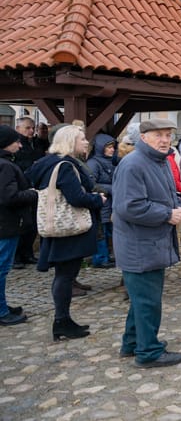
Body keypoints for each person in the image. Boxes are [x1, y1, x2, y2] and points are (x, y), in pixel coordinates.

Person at [112, 118, 181, 367]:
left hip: (151, 242)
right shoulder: (133, 164)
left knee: (142, 299)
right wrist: (167, 214)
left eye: (167, 135)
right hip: (139, 245)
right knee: (147, 302)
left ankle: (133, 343)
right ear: (144, 137)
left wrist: (176, 206)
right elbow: (129, 207)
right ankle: (149, 352)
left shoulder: (158, 160)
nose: (165, 140)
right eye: (159, 135)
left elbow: (164, 194)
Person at [28, 125, 106, 340]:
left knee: (64, 275)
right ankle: (61, 321)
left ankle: (63, 319)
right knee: (65, 275)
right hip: (69, 229)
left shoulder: (46, 162)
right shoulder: (65, 166)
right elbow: (77, 198)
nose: (86, 143)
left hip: (58, 228)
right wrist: (98, 199)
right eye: (82, 139)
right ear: (70, 141)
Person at [0, 125, 38, 326]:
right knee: (1, 268)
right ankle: (1, 311)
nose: (20, 144)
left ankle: (3, 305)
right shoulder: (5, 165)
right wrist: (33, 193)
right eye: (16, 141)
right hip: (6, 225)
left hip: (5, 224)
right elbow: (8, 197)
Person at [13, 116, 44, 268]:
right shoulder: (16, 145)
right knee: (23, 223)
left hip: (35, 188)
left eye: (32, 128)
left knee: (33, 223)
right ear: (18, 128)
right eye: (27, 128)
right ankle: (17, 256)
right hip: (21, 189)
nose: (31, 131)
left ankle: (27, 253)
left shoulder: (36, 143)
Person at [86, 133, 117, 268]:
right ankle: (100, 258)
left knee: (108, 231)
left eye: (113, 147)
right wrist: (113, 189)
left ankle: (106, 256)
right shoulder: (93, 163)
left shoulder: (112, 161)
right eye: (109, 147)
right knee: (101, 233)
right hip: (102, 204)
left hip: (111, 204)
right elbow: (91, 184)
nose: (112, 150)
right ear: (100, 148)